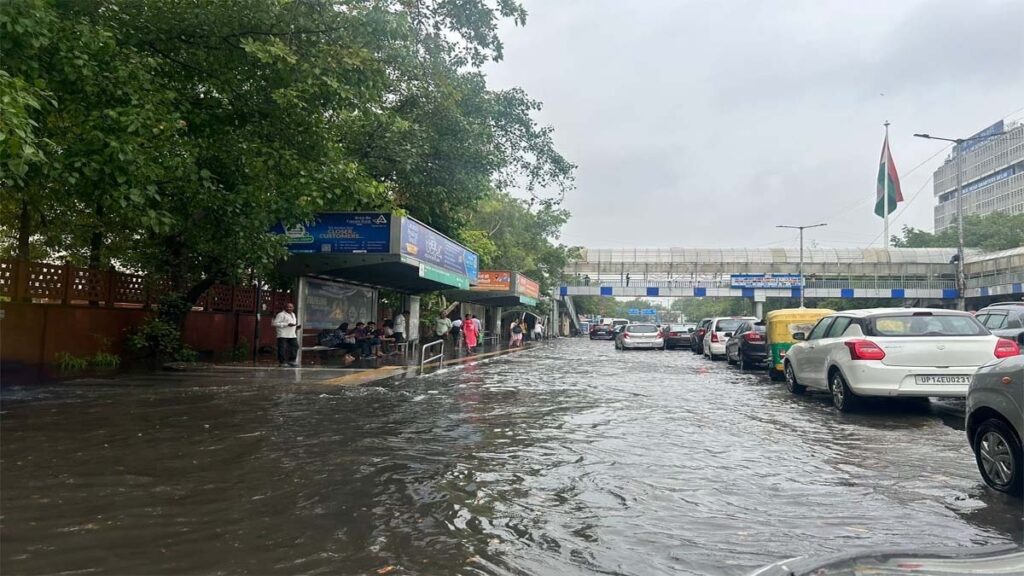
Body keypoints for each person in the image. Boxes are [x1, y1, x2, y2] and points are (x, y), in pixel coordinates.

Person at [272, 303, 301, 367]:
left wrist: (296, 327)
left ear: (293, 308)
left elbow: (292, 324)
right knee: (282, 348)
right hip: (283, 334)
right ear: (285, 307)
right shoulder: (281, 314)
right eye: (288, 307)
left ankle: (292, 361)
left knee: (295, 346)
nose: (289, 308)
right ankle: (282, 362)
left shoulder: (293, 314)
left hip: (292, 334)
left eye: (291, 307)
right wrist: (286, 324)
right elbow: (274, 323)